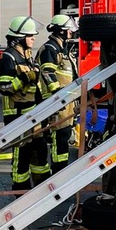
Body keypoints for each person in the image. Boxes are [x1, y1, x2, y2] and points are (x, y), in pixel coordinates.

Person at [0, 16, 49, 190]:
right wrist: (24, 78)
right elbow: (3, 86)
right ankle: (20, 189)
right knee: (21, 156)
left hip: (33, 115)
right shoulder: (8, 58)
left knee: (40, 151)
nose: (33, 38)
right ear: (19, 38)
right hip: (17, 116)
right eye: (30, 35)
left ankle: (42, 186)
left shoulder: (27, 56)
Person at [37, 15, 79, 174]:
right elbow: (47, 72)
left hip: (67, 102)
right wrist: (57, 94)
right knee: (59, 138)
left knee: (64, 136)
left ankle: (61, 170)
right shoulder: (50, 49)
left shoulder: (62, 49)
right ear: (61, 31)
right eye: (69, 30)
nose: (72, 33)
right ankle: (58, 172)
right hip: (58, 103)